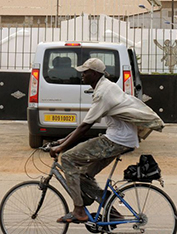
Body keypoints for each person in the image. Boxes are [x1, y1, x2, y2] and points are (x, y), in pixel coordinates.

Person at [50, 57, 164, 223]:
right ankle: (112, 211)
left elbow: (85, 126)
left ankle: (79, 210)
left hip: (116, 140)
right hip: (122, 139)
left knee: (67, 158)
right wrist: (62, 141)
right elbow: (85, 123)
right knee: (84, 175)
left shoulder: (104, 92)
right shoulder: (104, 88)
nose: (82, 75)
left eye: (85, 72)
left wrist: (61, 149)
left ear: (95, 74)